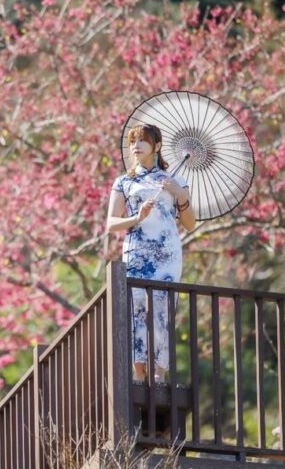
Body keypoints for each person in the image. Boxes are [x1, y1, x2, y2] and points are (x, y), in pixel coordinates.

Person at [106, 123, 196, 383]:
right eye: (133, 141)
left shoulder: (176, 180)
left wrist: (179, 194)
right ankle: (138, 373)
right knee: (135, 309)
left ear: (156, 146)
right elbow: (111, 224)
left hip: (167, 254)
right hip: (136, 252)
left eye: (143, 141)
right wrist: (136, 217)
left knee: (162, 308)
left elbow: (189, 224)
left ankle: (159, 375)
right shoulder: (124, 182)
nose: (136, 146)